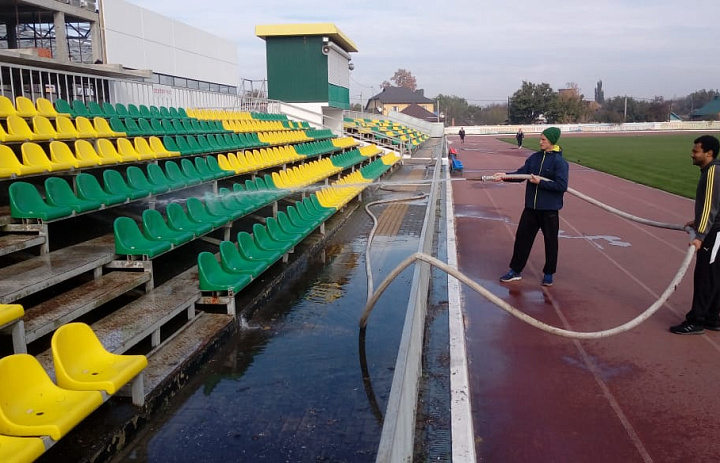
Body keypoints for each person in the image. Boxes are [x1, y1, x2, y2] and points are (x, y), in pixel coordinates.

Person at [494, 127, 569, 286]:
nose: (540, 142)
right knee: (522, 240)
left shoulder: (560, 163)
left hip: (549, 210)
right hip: (531, 209)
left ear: (552, 141)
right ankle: (515, 270)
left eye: (544, 140)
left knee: (551, 242)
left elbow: (561, 186)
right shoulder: (534, 158)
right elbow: (521, 174)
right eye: (540, 139)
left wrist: (540, 182)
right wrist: (504, 176)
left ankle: (548, 273)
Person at [670, 135, 720, 335]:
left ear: (708, 153)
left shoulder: (713, 172)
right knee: (714, 275)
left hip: (715, 233)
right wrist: (698, 221)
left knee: (705, 276)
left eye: (695, 151)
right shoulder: (712, 170)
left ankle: (697, 320)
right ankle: (711, 317)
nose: (692, 154)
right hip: (715, 229)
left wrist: (700, 235)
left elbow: (710, 205)